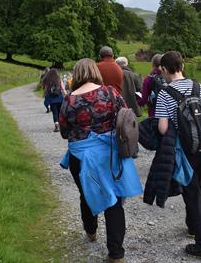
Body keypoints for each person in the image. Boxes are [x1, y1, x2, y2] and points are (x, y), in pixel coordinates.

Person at [59, 58, 142, 263]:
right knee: (114, 201)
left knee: (86, 194)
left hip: (81, 156)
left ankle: (91, 230)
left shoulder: (69, 101)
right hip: (110, 153)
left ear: (77, 74)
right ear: (95, 72)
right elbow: (125, 118)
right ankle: (116, 253)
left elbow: (64, 132)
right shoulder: (110, 93)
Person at [155, 51, 201, 260]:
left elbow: (163, 128)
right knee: (198, 186)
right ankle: (193, 227)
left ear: (164, 69)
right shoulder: (200, 88)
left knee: (192, 195)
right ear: (181, 66)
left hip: (183, 150)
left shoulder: (165, 93)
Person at [41, 68, 67, 132]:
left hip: (52, 100)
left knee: (54, 112)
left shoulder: (48, 80)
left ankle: (57, 125)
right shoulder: (59, 80)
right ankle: (62, 125)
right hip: (60, 98)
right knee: (60, 112)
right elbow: (63, 89)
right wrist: (67, 96)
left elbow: (46, 90)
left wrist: (45, 96)